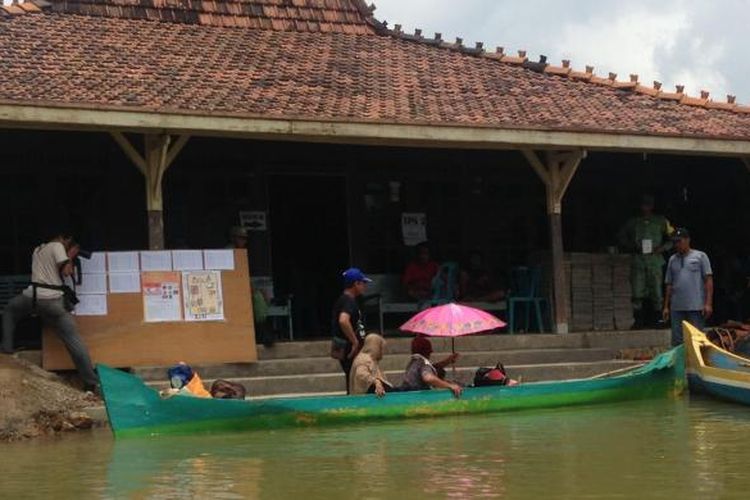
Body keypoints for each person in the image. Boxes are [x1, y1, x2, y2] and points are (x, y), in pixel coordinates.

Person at [1, 232, 99, 390]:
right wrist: (71, 256)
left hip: (32, 296)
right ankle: (91, 381)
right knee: (73, 340)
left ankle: (6, 348)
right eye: (69, 242)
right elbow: (67, 272)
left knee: (10, 310)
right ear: (64, 238)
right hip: (51, 301)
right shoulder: (58, 246)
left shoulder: (38, 249)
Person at [617, 194, 674, 329]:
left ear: (652, 206)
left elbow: (673, 237)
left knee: (657, 292)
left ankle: (659, 320)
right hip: (639, 260)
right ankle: (638, 321)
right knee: (637, 292)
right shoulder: (633, 222)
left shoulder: (661, 221)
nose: (646, 207)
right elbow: (621, 236)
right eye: (643, 204)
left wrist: (661, 248)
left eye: (648, 204)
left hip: (655, 260)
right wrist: (632, 247)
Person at [663, 228, 714, 346]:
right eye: (675, 242)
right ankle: (680, 363)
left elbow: (708, 280)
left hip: (695, 306)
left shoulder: (700, 256)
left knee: (696, 339)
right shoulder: (672, 259)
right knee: (677, 340)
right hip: (677, 307)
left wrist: (708, 303)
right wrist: (666, 306)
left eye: (679, 241)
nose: (677, 245)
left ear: (687, 240)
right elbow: (669, 283)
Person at [331, 267, 370, 393]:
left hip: (349, 347)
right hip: (350, 348)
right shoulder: (348, 301)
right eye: (363, 283)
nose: (365, 286)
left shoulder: (348, 300)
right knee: (354, 380)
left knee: (353, 379)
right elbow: (343, 320)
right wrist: (354, 341)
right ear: (356, 283)